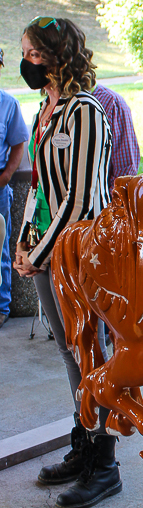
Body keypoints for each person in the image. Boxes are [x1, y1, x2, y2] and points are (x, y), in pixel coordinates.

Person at [14, 16, 120, 508]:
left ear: (59, 56)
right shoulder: (45, 109)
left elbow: (78, 200)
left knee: (92, 353)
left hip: (82, 254)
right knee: (67, 352)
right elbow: (38, 187)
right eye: (24, 54)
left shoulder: (86, 113)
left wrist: (37, 255)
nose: (27, 63)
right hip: (49, 253)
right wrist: (22, 242)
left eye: (34, 54)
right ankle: (82, 444)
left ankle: (106, 464)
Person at [0, 47, 28, 328]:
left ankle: (1, 306)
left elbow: (19, 143)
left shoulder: (8, 104)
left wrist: (7, 175)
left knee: (0, 250)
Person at [93, 83, 140, 193]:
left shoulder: (111, 102)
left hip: (97, 204)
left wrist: (108, 206)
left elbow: (125, 172)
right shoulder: (50, 102)